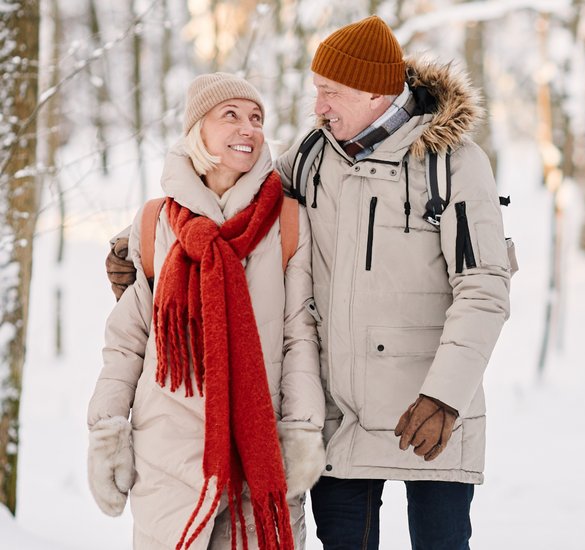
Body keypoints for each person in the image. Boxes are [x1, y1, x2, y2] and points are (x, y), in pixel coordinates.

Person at [108, 16, 512, 550]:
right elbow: (231, 199)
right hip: (339, 418)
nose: (318, 105)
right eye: (317, 91)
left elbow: (483, 286)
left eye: (330, 92)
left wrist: (445, 395)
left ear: (374, 90)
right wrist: (138, 241)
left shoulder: (453, 164)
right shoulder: (312, 156)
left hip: (428, 416)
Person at [88, 73, 325, 550]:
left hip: (256, 456)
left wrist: (300, 430)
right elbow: (128, 340)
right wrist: (107, 429)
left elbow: (299, 336)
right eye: (230, 116)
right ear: (198, 129)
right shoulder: (156, 220)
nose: (248, 129)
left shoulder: (287, 220)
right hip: (168, 458)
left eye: (256, 118)